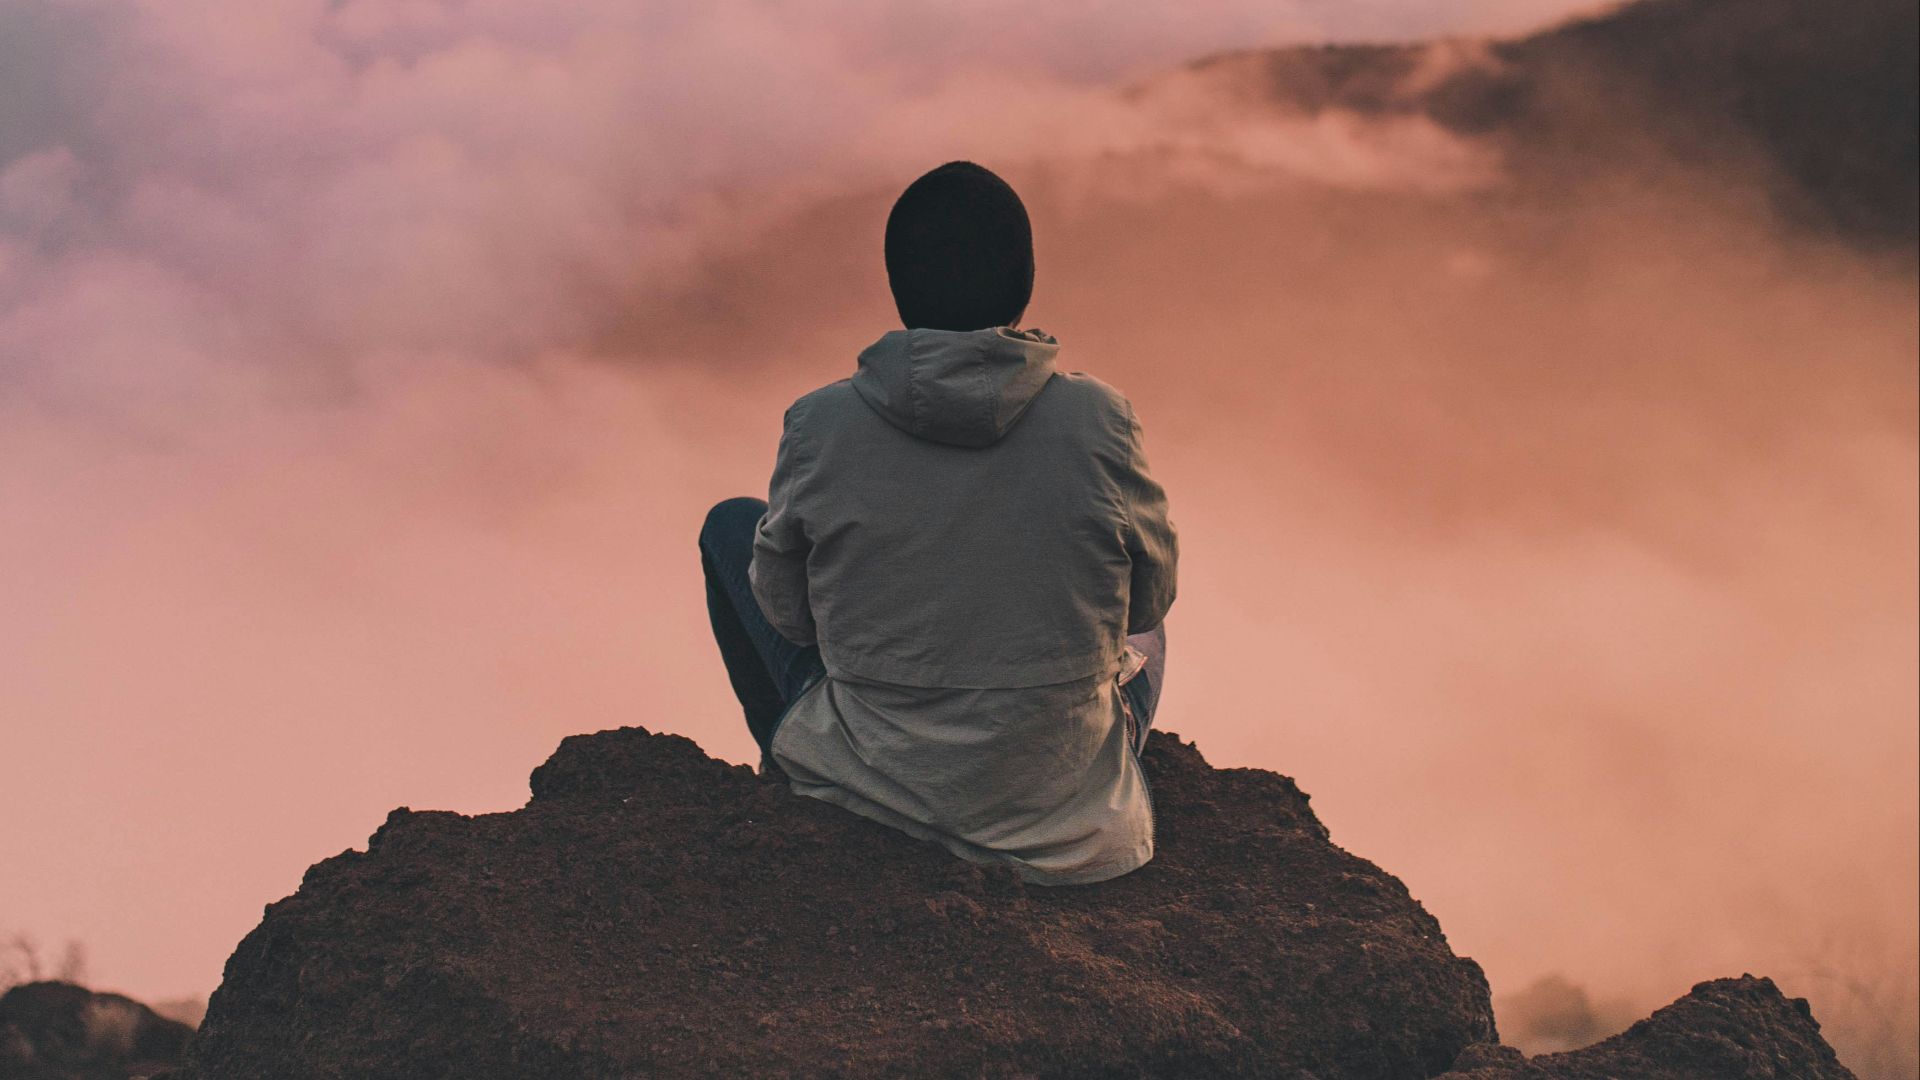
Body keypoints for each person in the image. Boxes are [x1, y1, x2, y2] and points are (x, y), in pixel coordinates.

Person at [698, 160, 1177, 885]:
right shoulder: (1099, 419)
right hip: (1063, 812)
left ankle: (789, 769)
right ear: (1023, 287)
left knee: (731, 526)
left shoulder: (820, 423)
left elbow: (790, 619)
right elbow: (1146, 603)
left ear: (900, 289)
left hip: (871, 777)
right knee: (1148, 633)